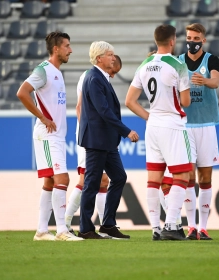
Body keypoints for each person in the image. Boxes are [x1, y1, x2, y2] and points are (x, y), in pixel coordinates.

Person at [125, 24, 192, 241]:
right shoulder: (178, 65)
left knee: (154, 179)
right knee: (182, 174)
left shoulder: (144, 65)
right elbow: (185, 101)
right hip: (172, 124)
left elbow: (129, 101)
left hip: (152, 125)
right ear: (172, 41)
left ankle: (155, 228)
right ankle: (171, 225)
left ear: (156, 41)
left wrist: (149, 117)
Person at [17, 31, 83, 241]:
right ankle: (62, 230)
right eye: (67, 46)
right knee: (62, 178)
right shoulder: (44, 70)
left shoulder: (57, 72)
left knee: (49, 181)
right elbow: (22, 92)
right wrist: (43, 117)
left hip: (56, 136)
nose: (70, 50)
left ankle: (42, 231)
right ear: (56, 49)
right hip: (48, 135)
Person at [160, 23, 219, 241]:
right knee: (187, 177)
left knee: (206, 177)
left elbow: (215, 81)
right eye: (188, 37)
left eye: (196, 38)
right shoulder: (177, 62)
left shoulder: (211, 60)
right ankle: (192, 226)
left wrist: (204, 81)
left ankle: (204, 228)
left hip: (206, 124)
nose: (192, 42)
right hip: (185, 126)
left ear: (203, 40)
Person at [78, 41, 139, 240]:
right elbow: (104, 111)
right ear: (99, 58)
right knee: (92, 183)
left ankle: (108, 224)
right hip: (97, 140)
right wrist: (126, 131)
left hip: (106, 141)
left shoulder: (99, 77)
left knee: (119, 177)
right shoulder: (94, 78)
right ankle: (86, 228)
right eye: (110, 55)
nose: (114, 58)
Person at [65, 55, 122, 233]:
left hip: (101, 135)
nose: (113, 75)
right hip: (91, 134)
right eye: (113, 71)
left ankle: (105, 225)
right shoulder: (89, 77)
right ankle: (65, 223)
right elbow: (80, 107)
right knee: (86, 179)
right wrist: (87, 132)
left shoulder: (102, 78)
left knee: (104, 181)